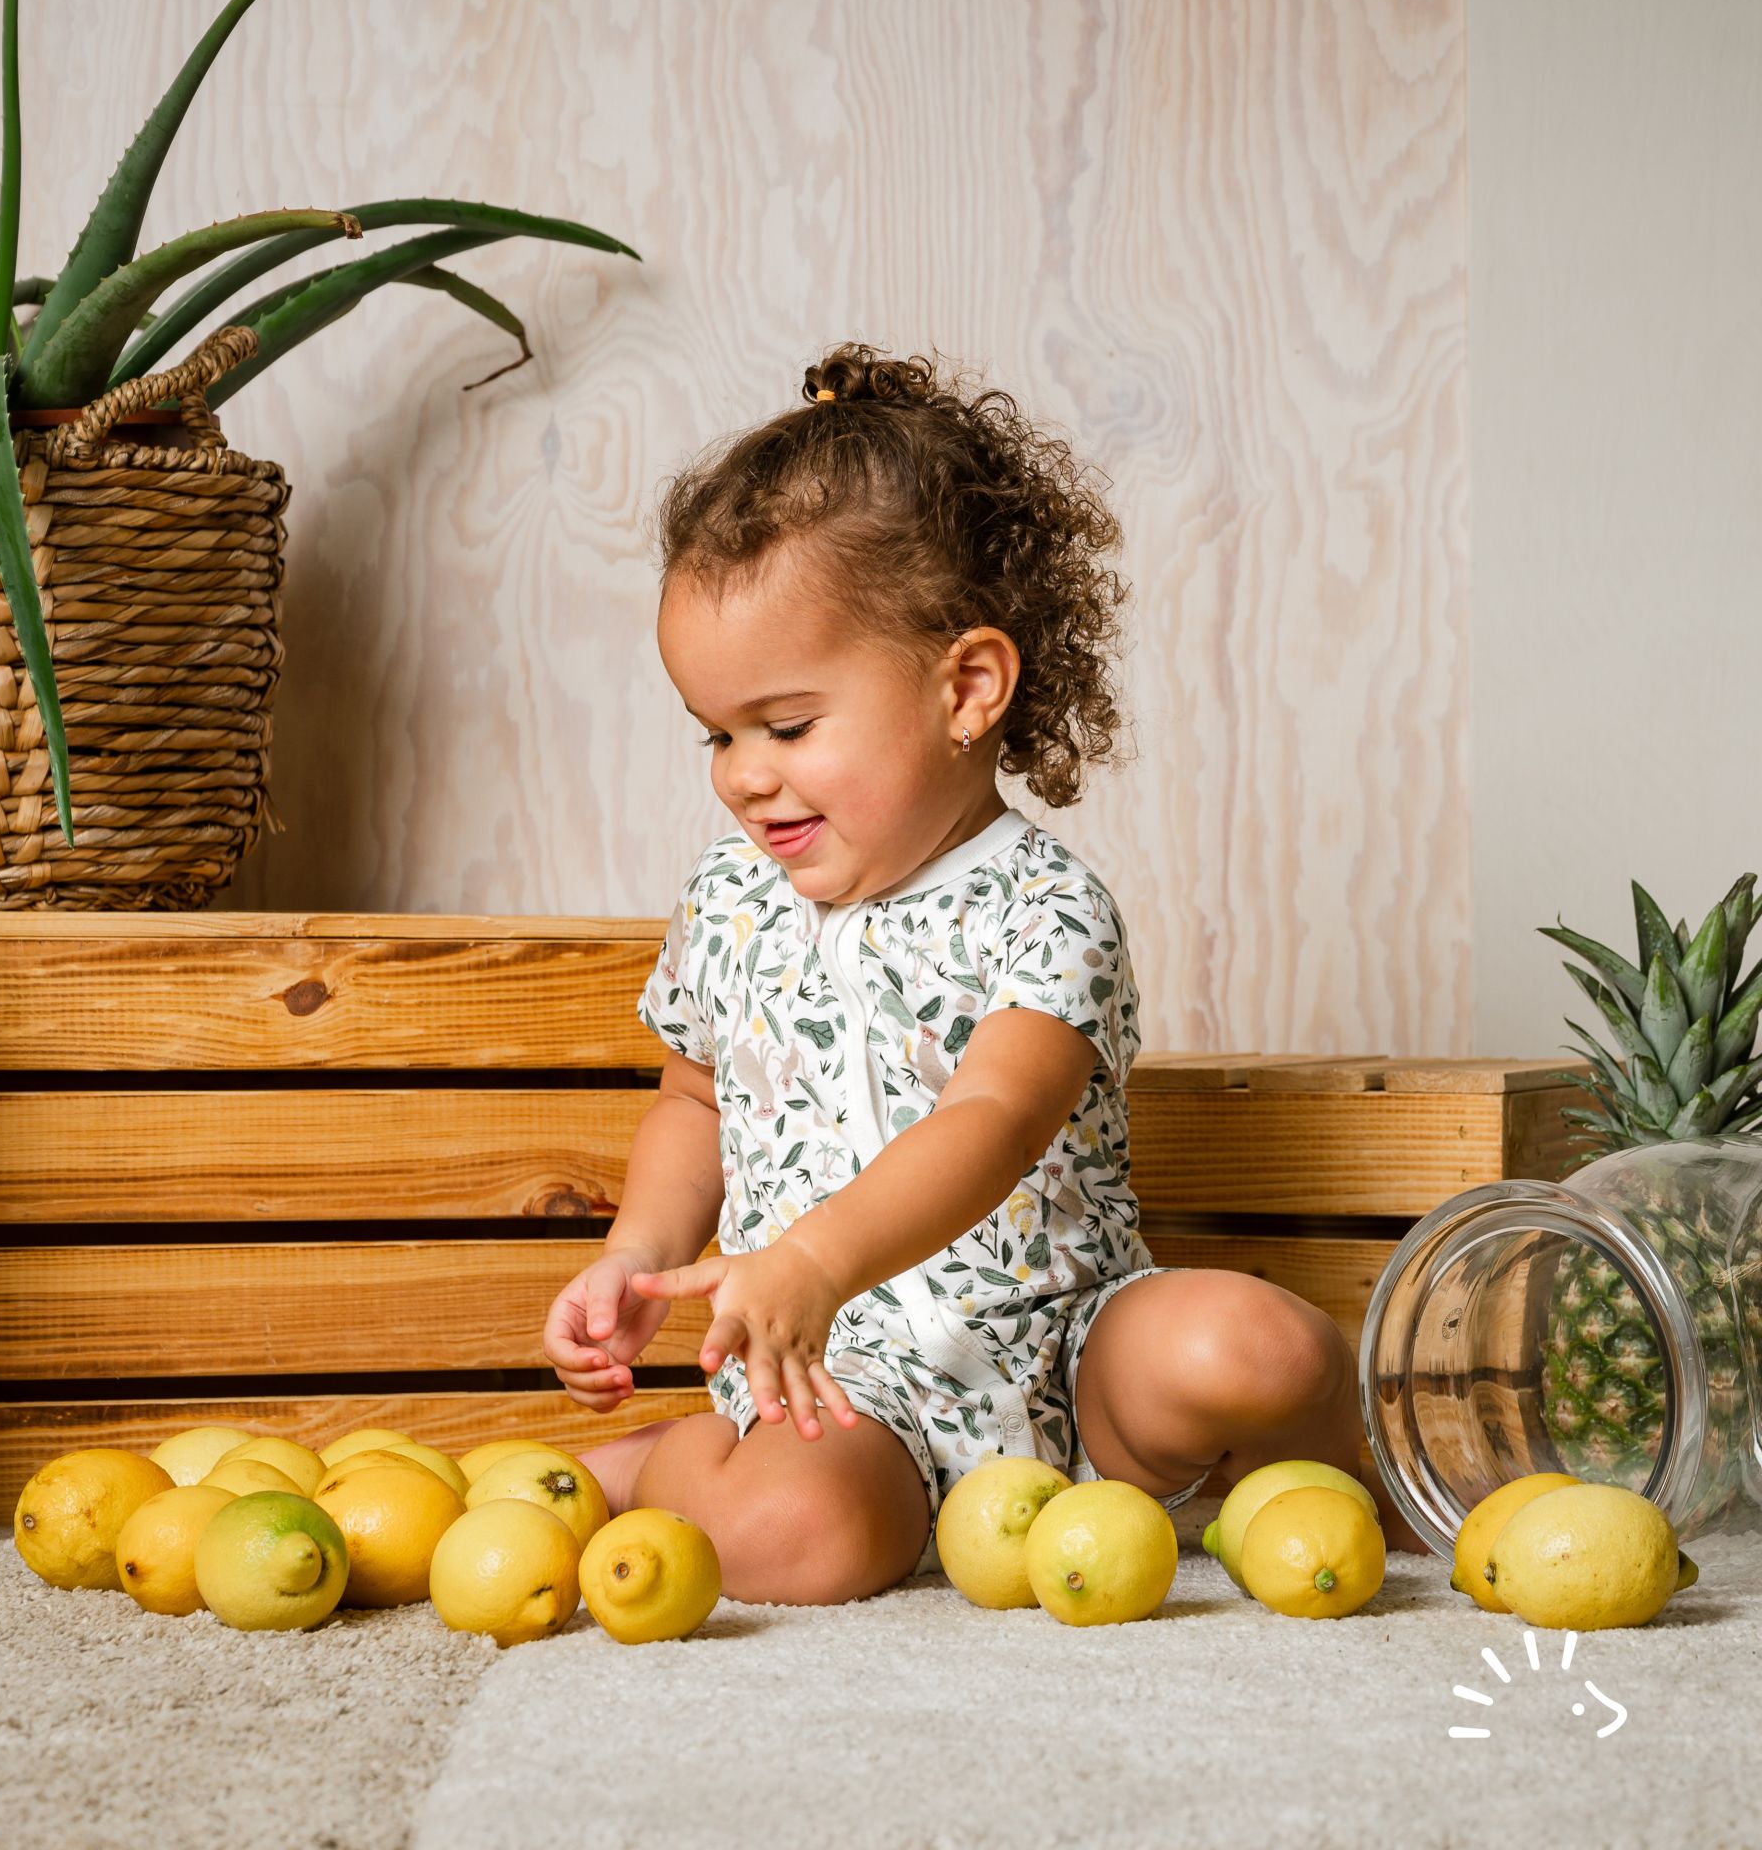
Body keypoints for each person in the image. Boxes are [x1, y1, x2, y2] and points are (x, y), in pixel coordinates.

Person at [542, 343, 1424, 1605]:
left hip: (1074, 1351)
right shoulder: (728, 901)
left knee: (1260, 1343)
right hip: (841, 1375)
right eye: (716, 734)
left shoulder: (1047, 909)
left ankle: (1327, 1511)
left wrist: (814, 1254)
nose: (742, 773)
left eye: (785, 725)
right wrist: (632, 1255)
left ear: (965, 687)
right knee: (793, 1534)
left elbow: (994, 1119)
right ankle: (656, 1469)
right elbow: (693, 1101)